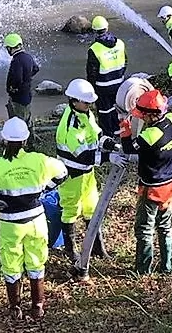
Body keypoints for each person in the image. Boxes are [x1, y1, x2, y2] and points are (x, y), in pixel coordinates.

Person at [0, 118, 68, 319]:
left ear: (4, 141)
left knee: (11, 263)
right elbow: (63, 172)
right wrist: (43, 189)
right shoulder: (38, 160)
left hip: (10, 223)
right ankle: (38, 306)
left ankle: (15, 308)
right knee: (36, 262)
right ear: (25, 140)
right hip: (36, 220)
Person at [55, 79, 125, 266]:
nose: (90, 105)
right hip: (72, 175)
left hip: (87, 174)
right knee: (70, 211)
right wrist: (107, 158)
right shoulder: (69, 125)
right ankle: (71, 250)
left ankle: (96, 246)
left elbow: (97, 135)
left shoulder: (86, 114)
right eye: (86, 102)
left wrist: (112, 144)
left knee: (91, 208)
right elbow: (82, 156)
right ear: (74, 101)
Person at [121, 89, 172, 275]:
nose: (142, 118)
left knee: (144, 229)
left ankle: (142, 270)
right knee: (165, 226)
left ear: (151, 116)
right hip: (171, 182)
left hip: (153, 188)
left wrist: (125, 131)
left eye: (143, 116)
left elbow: (129, 148)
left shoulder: (150, 136)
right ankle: (167, 266)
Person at [86, 16, 126, 136]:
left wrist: (91, 88)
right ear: (107, 27)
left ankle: (108, 134)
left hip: (103, 86)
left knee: (104, 110)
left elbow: (91, 72)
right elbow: (125, 62)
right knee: (117, 107)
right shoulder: (120, 43)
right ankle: (119, 130)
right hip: (119, 82)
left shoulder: (94, 49)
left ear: (94, 31)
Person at [4, 33, 40, 142]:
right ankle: (31, 140)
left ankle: (21, 143)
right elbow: (36, 68)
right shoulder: (27, 56)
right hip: (27, 94)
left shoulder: (16, 60)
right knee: (27, 118)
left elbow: (16, 79)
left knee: (18, 121)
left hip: (18, 97)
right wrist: (27, 78)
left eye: (7, 48)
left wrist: (12, 88)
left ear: (10, 48)